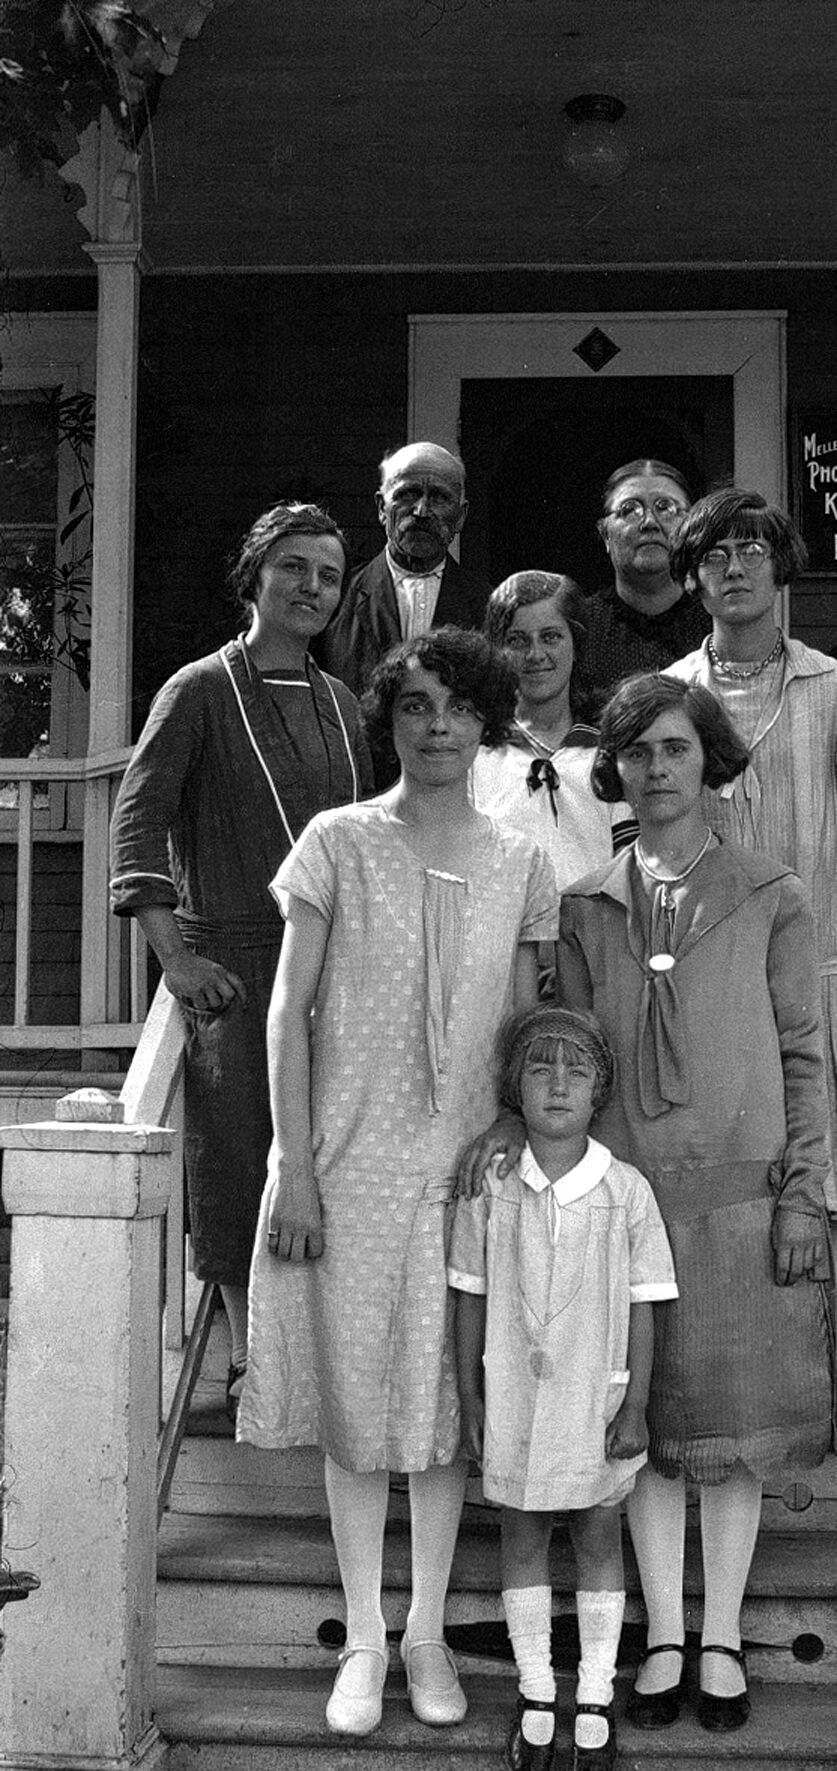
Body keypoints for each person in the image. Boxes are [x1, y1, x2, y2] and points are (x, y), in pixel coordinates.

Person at [236, 627, 558, 1741]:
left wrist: (518, 1132)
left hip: (464, 1169)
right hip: (347, 1162)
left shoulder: (518, 858)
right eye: (415, 706)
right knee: (356, 1400)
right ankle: (364, 1638)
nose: (434, 727)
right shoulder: (335, 841)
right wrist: (293, 1167)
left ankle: (425, 1629)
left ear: (487, 726)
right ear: (392, 720)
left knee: (438, 1400)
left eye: (456, 709)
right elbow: (288, 1010)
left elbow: (523, 1024)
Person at [556, 674, 834, 1733]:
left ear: (706, 761)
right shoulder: (589, 904)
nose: (656, 768)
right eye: (636, 752)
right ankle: (662, 1633)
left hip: (744, 1202)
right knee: (646, 1423)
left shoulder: (772, 894)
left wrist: (804, 1196)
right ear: (615, 767)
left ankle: (720, 1633)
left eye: (674, 748)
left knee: (729, 1428)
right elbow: (574, 1061)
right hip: (627, 1205)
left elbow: (804, 1057)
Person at [665, 488, 837, 1439]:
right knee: (735, 1185)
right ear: (694, 578)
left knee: (825, 1188)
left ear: (781, 568)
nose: (735, 567)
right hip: (714, 984)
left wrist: (821, 919)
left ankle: (827, 1382)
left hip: (822, 981)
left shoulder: (834, 691)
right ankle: (747, 1382)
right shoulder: (675, 693)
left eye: (753, 550)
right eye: (716, 554)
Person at [109, 501, 372, 1418]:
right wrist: (174, 954)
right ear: (254, 575)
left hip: (331, 967)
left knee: (327, 1154)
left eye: (329, 575)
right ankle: (247, 1349)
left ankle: (316, 1345)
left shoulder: (342, 704)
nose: (312, 588)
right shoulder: (198, 690)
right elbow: (137, 818)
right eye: (293, 567)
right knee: (238, 1154)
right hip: (233, 961)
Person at [450, 1007, 678, 1771]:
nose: (557, 1084)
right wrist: (473, 1395)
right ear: (515, 1086)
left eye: (575, 1071)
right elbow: (470, 1295)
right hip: (514, 1390)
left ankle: (594, 1693)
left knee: (595, 1534)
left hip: (597, 1396)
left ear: (599, 1090)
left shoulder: (625, 1190)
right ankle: (536, 1688)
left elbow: (648, 1300)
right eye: (541, 1069)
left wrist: (637, 1402)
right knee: (519, 1533)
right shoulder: (490, 1186)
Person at [474, 570, 634, 894]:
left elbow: (634, 869)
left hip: (596, 936)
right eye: (517, 641)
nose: (535, 655)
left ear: (576, 645)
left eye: (550, 637)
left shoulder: (612, 752)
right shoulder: (474, 754)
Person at [314, 442, 487, 702]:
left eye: (440, 497)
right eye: (407, 494)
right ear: (382, 508)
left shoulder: (487, 607)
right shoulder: (336, 600)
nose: (421, 512)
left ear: (460, 517)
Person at [583, 459, 709, 694]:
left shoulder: (716, 622)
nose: (650, 523)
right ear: (605, 535)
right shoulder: (580, 628)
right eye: (629, 510)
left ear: (690, 529)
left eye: (666, 508)